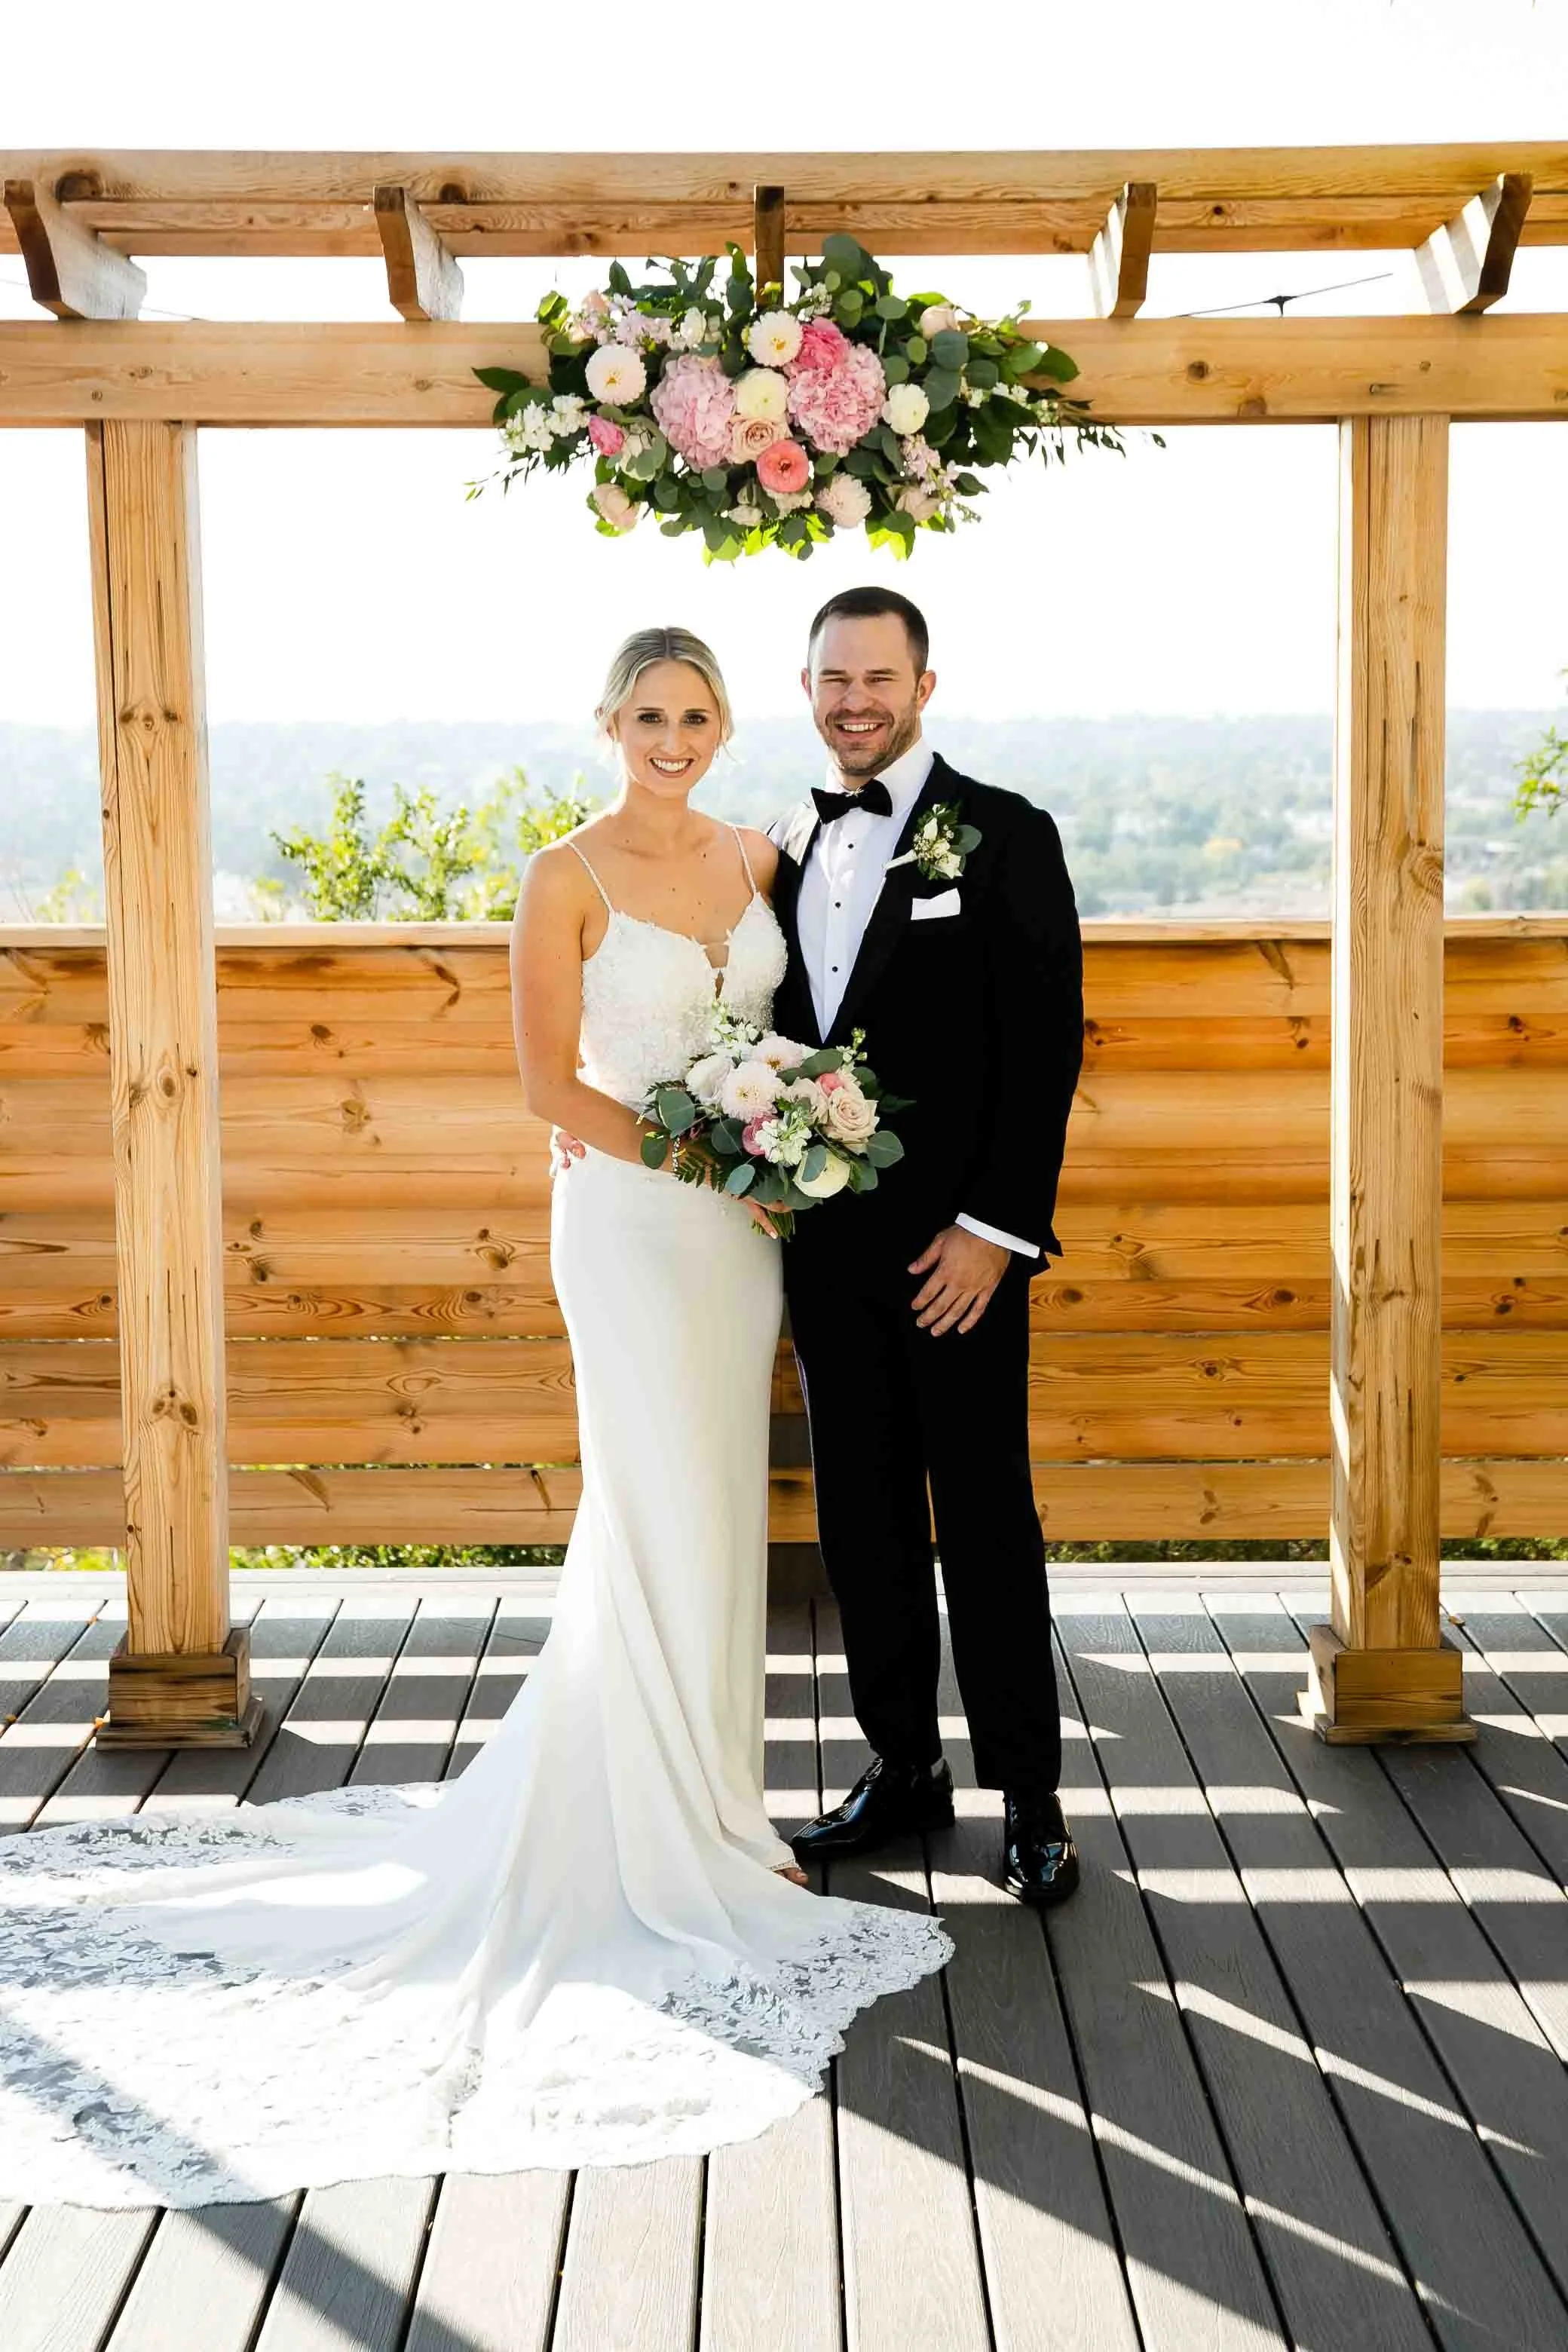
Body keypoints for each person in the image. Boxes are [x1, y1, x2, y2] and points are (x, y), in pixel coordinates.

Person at [0, 626, 950, 2213]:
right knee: (652, 1499)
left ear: (725, 728)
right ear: (606, 723)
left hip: (740, 1244)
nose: (672, 736)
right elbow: (547, 1089)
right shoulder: (560, 874)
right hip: (639, 1232)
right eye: (646, 713)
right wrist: (720, 1162)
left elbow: (802, 1032)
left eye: (695, 714)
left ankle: (714, 1804)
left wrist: (799, 1138)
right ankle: (663, 1830)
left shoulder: (759, 855)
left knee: (715, 1506)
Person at [771, 586, 1084, 1905]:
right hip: (825, 1250)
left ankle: (1029, 1797)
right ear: (808, 691)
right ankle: (904, 1768)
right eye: (835, 680)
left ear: (924, 685)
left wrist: (995, 1234)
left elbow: (1045, 1047)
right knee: (862, 1518)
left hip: (961, 1259)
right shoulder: (784, 844)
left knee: (987, 1518)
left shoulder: (1003, 835)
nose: (857, 703)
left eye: (878, 680)